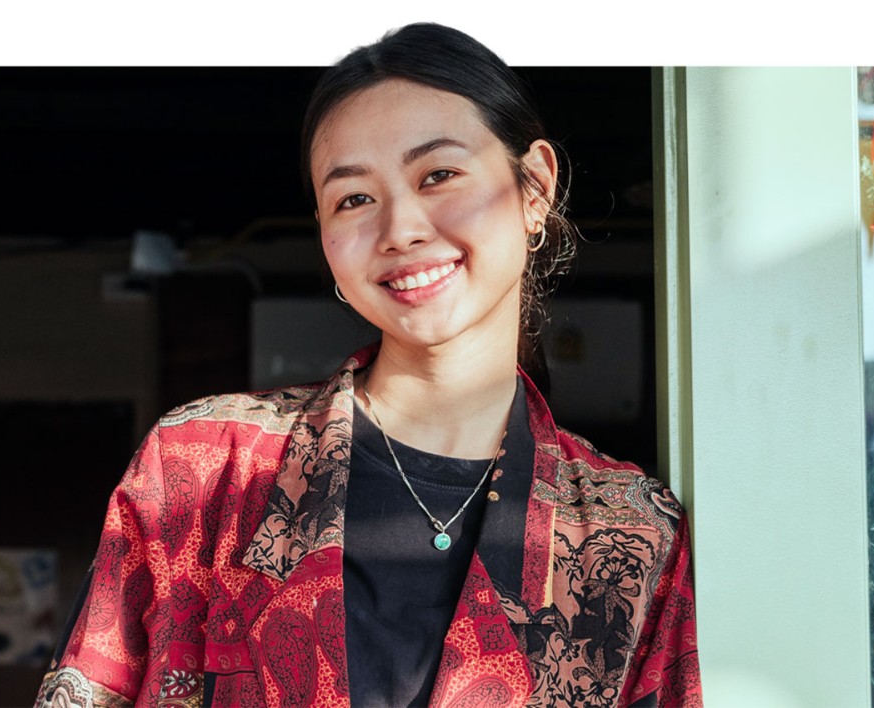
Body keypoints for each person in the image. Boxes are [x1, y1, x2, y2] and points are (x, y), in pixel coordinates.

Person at [35, 23, 701, 708]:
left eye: (438, 175)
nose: (401, 229)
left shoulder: (632, 537)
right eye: (355, 198)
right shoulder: (203, 471)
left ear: (533, 186)